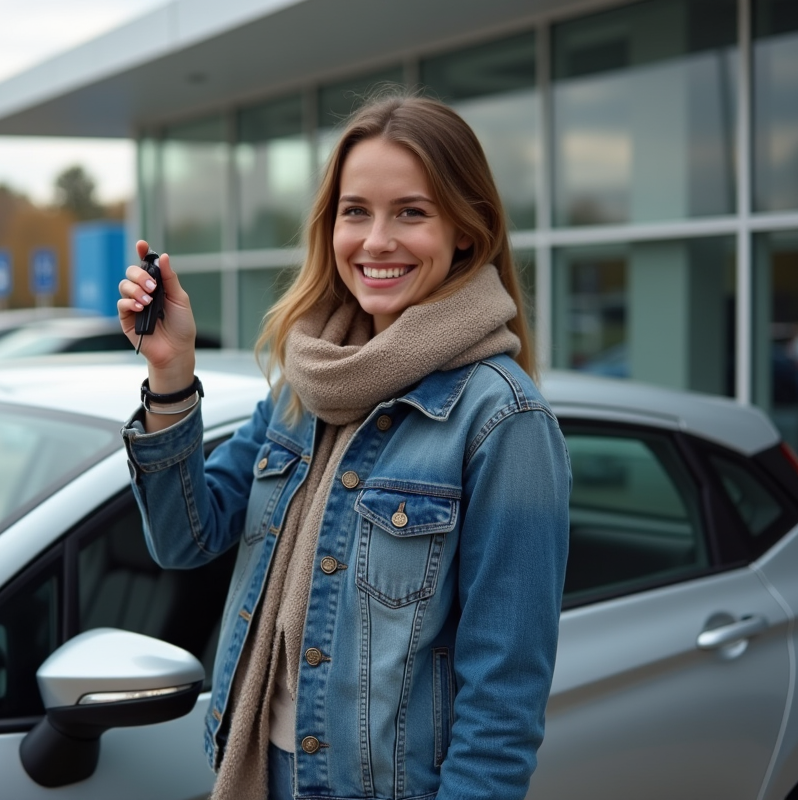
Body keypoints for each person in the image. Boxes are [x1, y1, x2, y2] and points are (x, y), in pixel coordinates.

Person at [117, 94, 570, 800]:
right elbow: (185, 538)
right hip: (258, 773)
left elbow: (503, 698)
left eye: (411, 212)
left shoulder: (501, 419)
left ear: (466, 232)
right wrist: (170, 372)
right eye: (355, 211)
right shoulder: (305, 385)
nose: (376, 240)